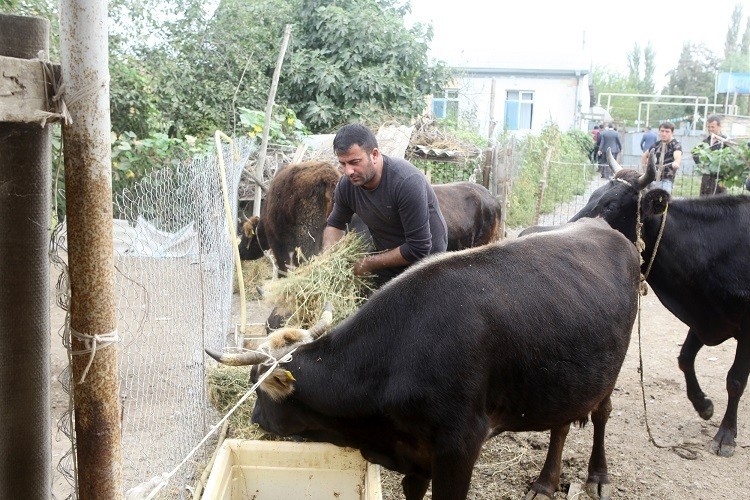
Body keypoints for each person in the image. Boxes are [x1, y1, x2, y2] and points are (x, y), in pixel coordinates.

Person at [323, 123, 448, 287]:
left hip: (426, 263)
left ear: (374, 155)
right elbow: (335, 224)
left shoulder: (406, 182)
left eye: (354, 162)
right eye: (343, 164)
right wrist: (329, 260)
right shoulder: (347, 185)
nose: (348, 171)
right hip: (388, 257)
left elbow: (419, 248)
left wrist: (368, 264)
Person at [692, 115, 732, 196]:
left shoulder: (725, 141)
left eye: (712, 127)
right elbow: (694, 152)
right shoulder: (705, 141)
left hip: (720, 177)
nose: (710, 129)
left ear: (719, 126)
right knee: (704, 201)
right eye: (708, 127)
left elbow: (731, 157)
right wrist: (700, 164)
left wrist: (725, 167)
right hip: (707, 177)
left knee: (719, 201)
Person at [642, 121, 682, 194]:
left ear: (672, 133)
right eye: (662, 131)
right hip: (653, 179)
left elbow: (677, 156)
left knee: (665, 201)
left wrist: (676, 163)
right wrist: (646, 168)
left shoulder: (676, 144)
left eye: (667, 131)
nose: (664, 134)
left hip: (666, 179)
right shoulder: (656, 144)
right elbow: (645, 155)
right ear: (659, 132)